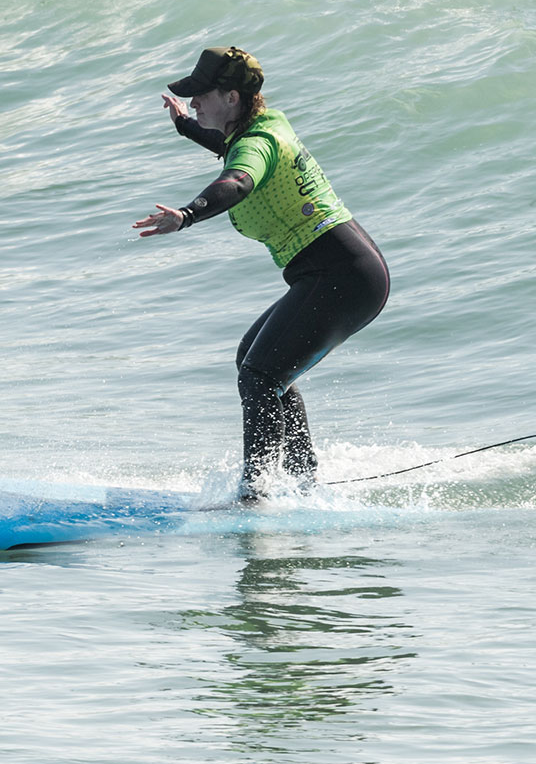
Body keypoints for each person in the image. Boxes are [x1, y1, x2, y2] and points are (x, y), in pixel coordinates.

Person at [133, 46, 389, 501]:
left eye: (201, 95)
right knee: (256, 362)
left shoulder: (257, 144)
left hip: (342, 274)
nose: (194, 102)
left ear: (232, 97)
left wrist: (188, 215)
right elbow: (229, 148)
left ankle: (257, 495)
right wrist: (184, 126)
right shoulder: (266, 125)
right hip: (342, 270)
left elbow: (238, 180)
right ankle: (300, 483)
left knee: (260, 375)